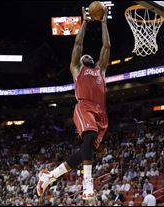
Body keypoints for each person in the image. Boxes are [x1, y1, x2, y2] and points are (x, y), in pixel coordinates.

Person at [37, 6, 110, 201]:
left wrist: (103, 24)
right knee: (90, 137)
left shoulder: (100, 71)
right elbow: (78, 44)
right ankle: (87, 184)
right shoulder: (77, 69)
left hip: (100, 113)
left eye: (88, 55)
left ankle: (49, 177)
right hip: (84, 107)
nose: (85, 54)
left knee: (85, 151)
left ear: (93, 60)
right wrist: (85, 22)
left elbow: (106, 47)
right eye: (83, 55)